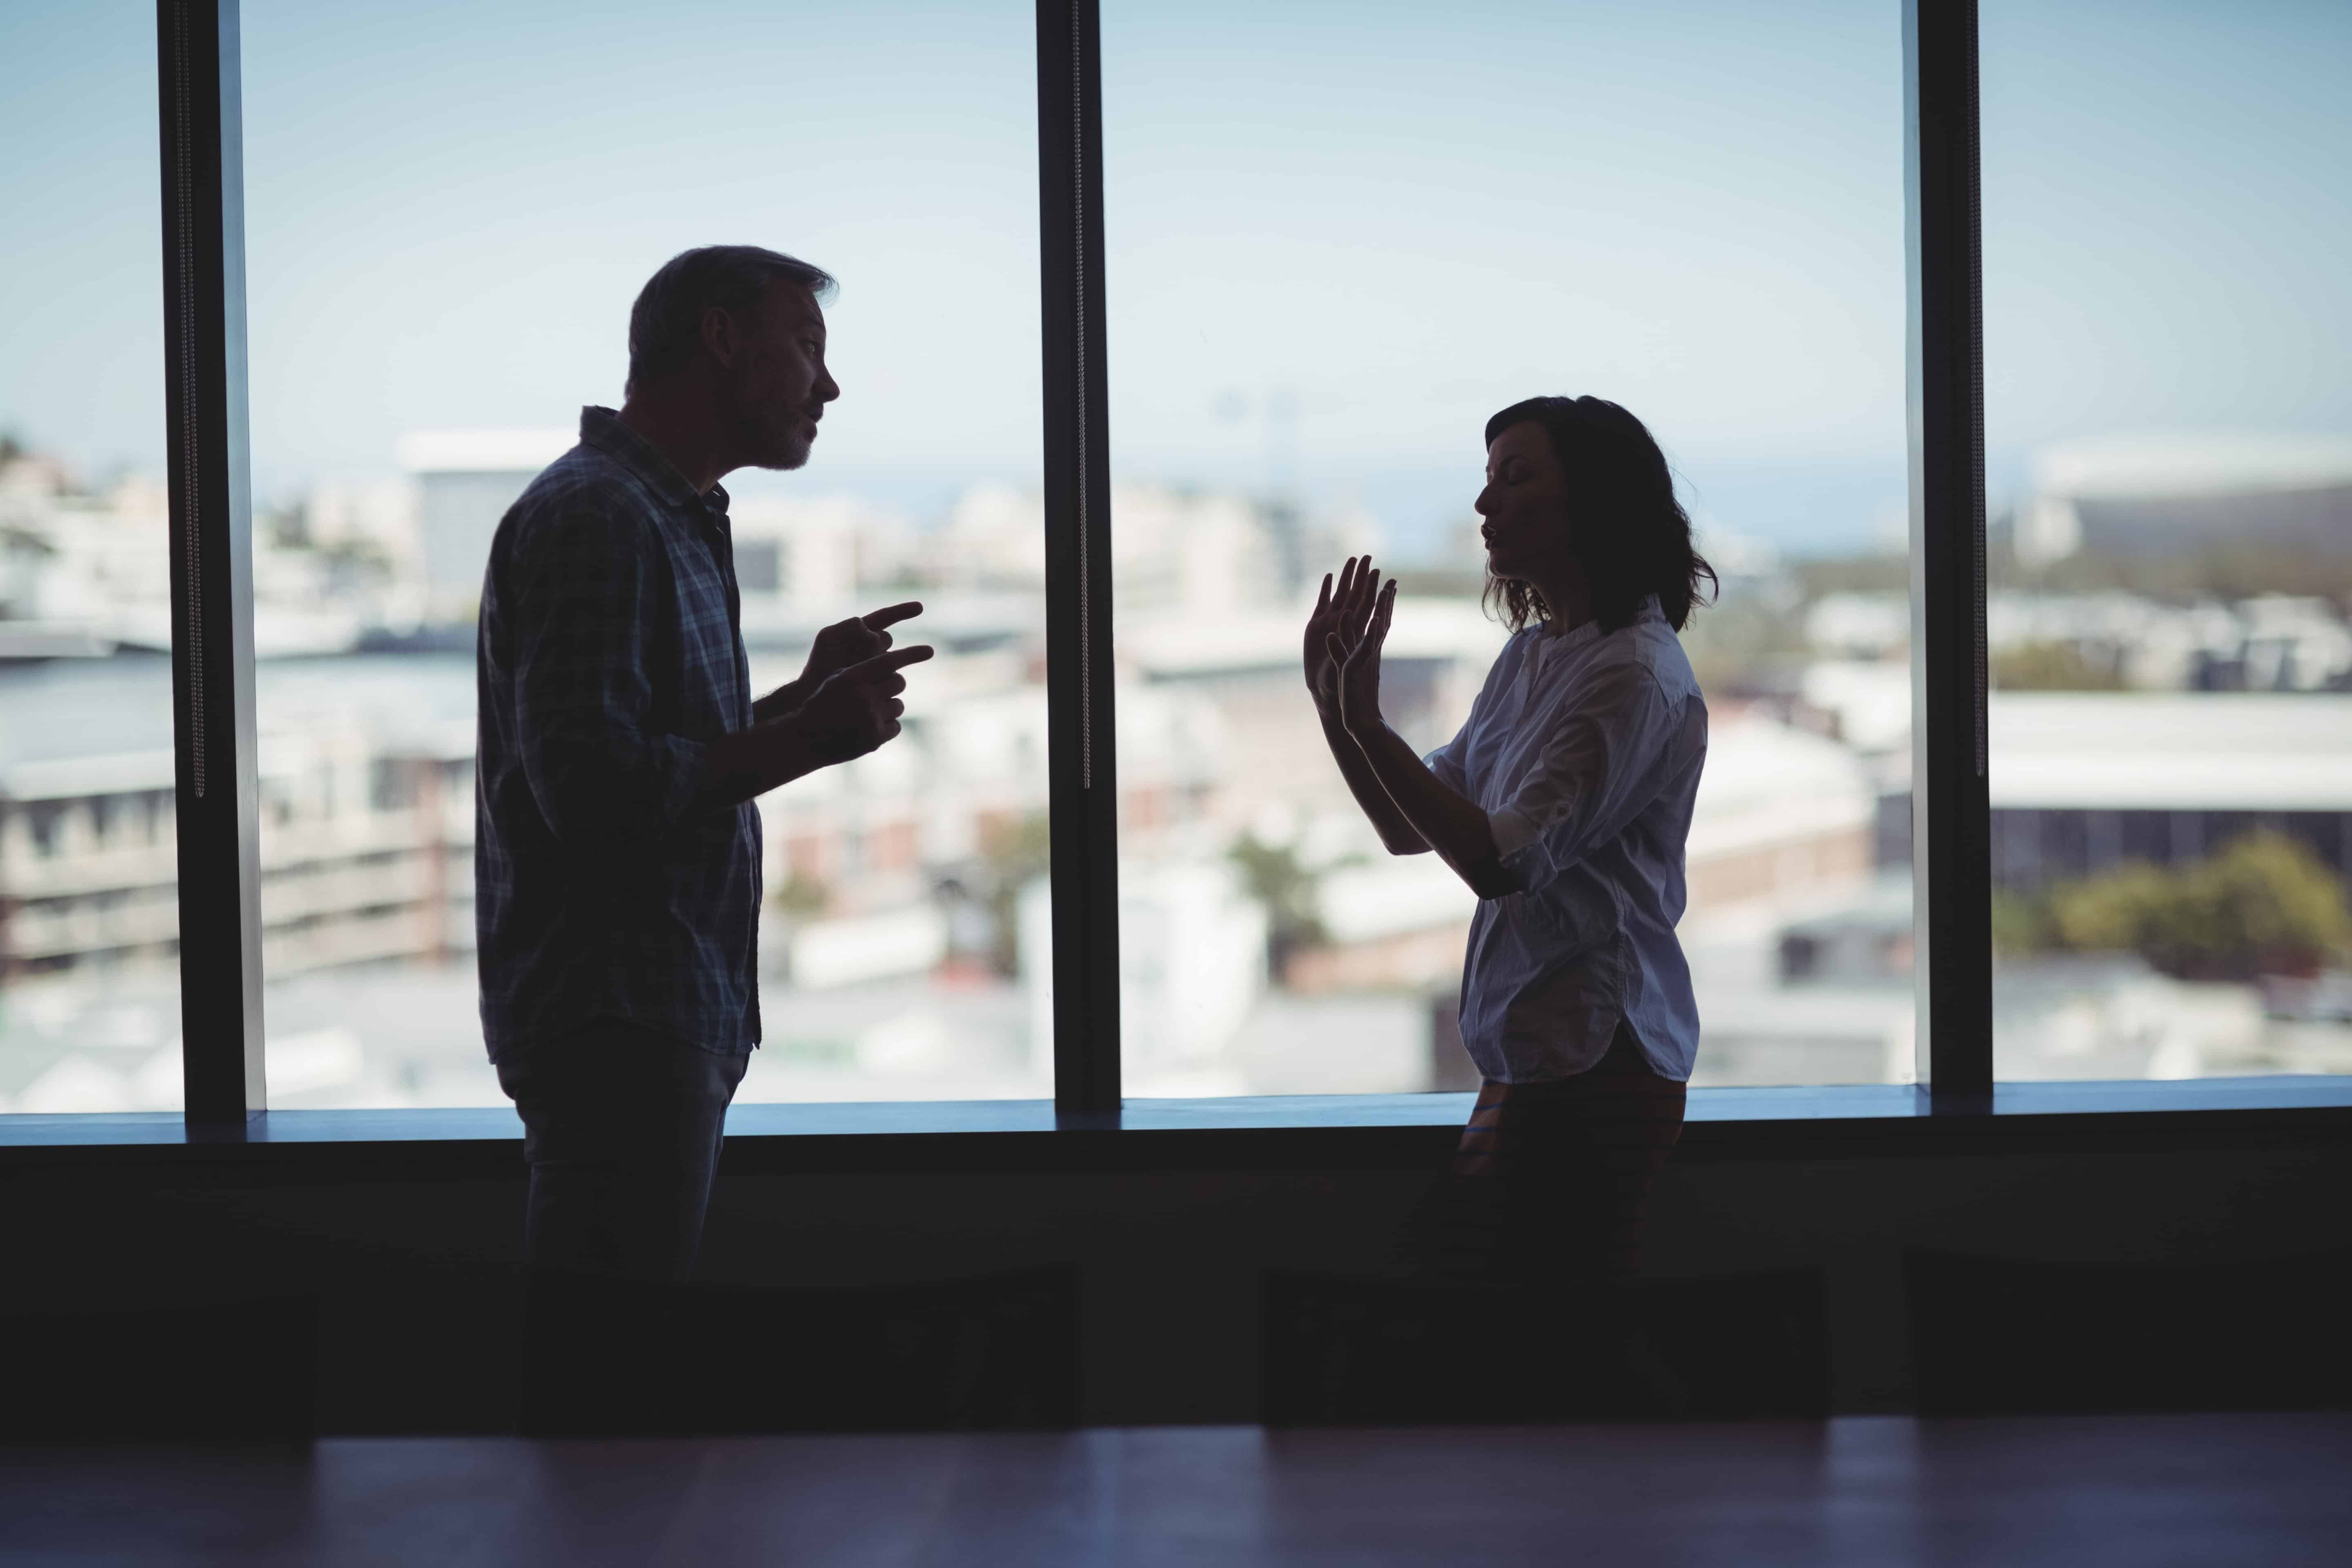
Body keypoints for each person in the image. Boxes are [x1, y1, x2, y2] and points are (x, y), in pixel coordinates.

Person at [476, 245, 931, 1287]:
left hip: (645, 1013)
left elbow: (646, 753)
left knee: (617, 1372)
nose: (828, 384)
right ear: (722, 341)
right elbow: (593, 796)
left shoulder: (656, 512)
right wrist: (811, 737)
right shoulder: (601, 517)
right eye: (806, 347)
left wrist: (794, 707)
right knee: (608, 1383)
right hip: (618, 1017)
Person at [1305, 394, 1713, 1299]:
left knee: (1523, 1335)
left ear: (1594, 500)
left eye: (1515, 479)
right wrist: (1338, 714)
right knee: (1510, 1331)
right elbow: (1411, 830)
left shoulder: (1634, 676)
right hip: (1543, 1059)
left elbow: (1499, 862)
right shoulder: (1535, 657)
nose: (1486, 505)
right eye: (1488, 480)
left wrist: (1363, 719)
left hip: (1598, 1058)